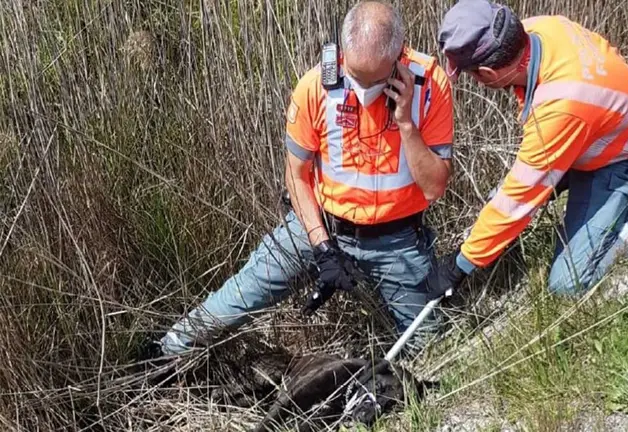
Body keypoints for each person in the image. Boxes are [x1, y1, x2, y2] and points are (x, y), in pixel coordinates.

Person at [143, 1, 455, 362]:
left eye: (375, 81)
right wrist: (322, 248)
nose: (362, 89)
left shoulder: (430, 86)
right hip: (319, 225)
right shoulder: (315, 87)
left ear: (399, 57)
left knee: (430, 349)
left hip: (396, 241)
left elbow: (434, 187)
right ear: (342, 52)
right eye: (355, 76)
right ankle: (164, 353)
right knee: (239, 297)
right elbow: (296, 176)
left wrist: (405, 123)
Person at [425, 0, 628, 300]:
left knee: (567, 285)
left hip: (622, 160)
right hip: (597, 135)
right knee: (498, 200)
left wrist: (459, 265)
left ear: (488, 73)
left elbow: (518, 200)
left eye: (471, 75)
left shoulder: (562, 104)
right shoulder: (541, 29)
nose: (474, 81)